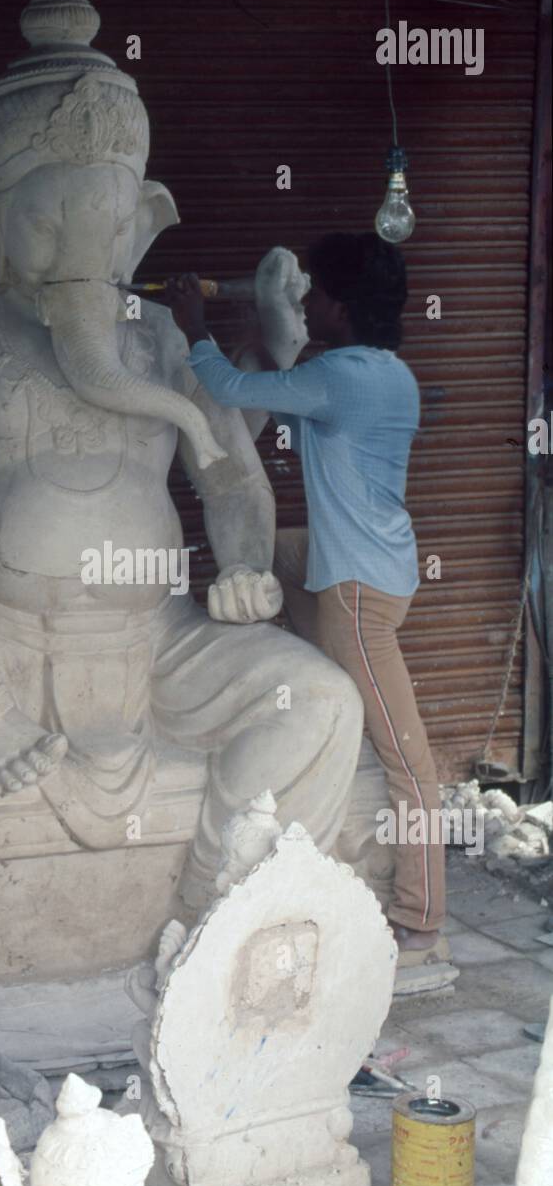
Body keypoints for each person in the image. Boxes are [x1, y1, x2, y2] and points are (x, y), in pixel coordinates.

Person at [165, 232, 446, 952]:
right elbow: (288, 408)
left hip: (357, 602)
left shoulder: (341, 377)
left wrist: (192, 330)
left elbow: (228, 390)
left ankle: (419, 918)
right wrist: (255, 340)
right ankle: (296, 657)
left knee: (409, 762)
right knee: (273, 553)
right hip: (375, 569)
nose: (306, 300)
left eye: (314, 291)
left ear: (342, 309)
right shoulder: (387, 376)